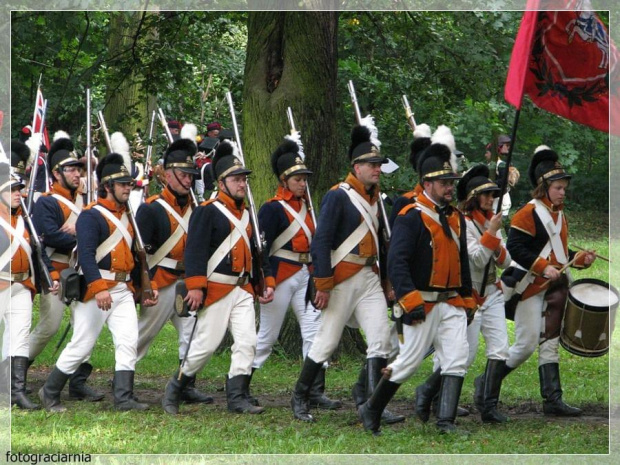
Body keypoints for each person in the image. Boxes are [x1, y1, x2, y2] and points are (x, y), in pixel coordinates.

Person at [358, 125, 475, 435]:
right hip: (421, 302)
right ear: (427, 183)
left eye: (451, 182)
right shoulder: (411, 215)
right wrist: (409, 299)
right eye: (443, 183)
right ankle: (371, 409)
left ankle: (445, 422)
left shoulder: (455, 217)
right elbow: (396, 262)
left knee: (457, 358)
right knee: (408, 362)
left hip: (450, 302)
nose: (450, 187)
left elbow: (461, 262)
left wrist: (466, 298)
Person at [290, 122, 396, 424]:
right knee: (326, 342)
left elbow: (382, 244)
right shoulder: (339, 195)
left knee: (380, 340)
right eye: (371, 165)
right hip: (341, 279)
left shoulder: (377, 199)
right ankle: (299, 396)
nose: (377, 169)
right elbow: (321, 241)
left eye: (378, 165)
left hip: (370, 278)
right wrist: (322, 283)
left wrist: (386, 280)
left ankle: (372, 405)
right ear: (356, 167)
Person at [161, 139, 275, 415]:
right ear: (221, 183)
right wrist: (196, 287)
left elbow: (258, 253)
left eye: (243, 180)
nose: (242, 184)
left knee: (248, 341)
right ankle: (174, 390)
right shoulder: (207, 211)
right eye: (236, 180)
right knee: (205, 347)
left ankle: (236, 398)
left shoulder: (248, 214)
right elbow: (195, 252)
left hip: (243, 289)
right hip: (216, 289)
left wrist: (266, 281)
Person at [38, 153, 159, 412]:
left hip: (123, 289)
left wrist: (145, 286)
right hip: (96, 289)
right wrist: (98, 287)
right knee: (82, 344)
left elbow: (136, 256)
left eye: (129, 184)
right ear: (108, 187)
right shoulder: (91, 216)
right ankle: (49, 392)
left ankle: (124, 398)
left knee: (128, 340)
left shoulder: (129, 215)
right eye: (123, 184)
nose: (128, 188)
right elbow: (87, 255)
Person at [501, 145, 595, 416]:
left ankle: (552, 400)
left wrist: (579, 259)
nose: (563, 192)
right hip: (530, 286)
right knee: (526, 344)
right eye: (558, 187)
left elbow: (560, 253)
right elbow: (516, 248)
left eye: (564, 187)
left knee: (550, 341)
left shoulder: (558, 213)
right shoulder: (527, 213)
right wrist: (543, 267)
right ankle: (487, 385)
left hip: (555, 286)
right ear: (544, 187)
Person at [249, 134, 341, 410]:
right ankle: (239, 385)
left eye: (304, 178)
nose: (303, 183)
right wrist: (264, 280)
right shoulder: (271, 209)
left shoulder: (310, 208)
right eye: (297, 179)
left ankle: (314, 390)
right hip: (280, 276)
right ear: (284, 181)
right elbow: (260, 248)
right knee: (267, 336)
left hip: (307, 276)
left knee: (315, 332)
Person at [135, 135, 212, 405]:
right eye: (183, 175)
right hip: (160, 281)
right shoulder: (152, 209)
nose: (188, 180)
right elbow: (140, 255)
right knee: (142, 335)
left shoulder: (198, 210)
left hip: (186, 281)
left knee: (192, 334)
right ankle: (123, 382)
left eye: (191, 175)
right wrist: (143, 286)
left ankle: (185, 384)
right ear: (168, 175)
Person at [28, 132, 104, 402]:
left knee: (86, 327)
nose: (77, 174)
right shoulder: (47, 202)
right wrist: (85, 234)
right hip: (58, 273)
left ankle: (78, 381)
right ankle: (15, 371)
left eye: (78, 169)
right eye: (71, 170)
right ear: (57, 174)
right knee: (50, 325)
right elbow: (49, 236)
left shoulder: (88, 201)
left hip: (83, 273)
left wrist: (80, 228)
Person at [0, 162, 59, 409]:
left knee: (19, 337)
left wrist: (52, 274)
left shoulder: (25, 220)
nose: (19, 193)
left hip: (23, 284)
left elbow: (38, 249)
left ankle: (15, 391)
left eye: (19, 189)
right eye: (12, 189)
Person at [456, 165, 512, 423]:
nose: (491, 199)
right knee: (464, 353)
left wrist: (494, 235)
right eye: (487, 194)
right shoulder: (463, 224)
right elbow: (477, 260)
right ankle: (437, 399)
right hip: (470, 295)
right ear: (473, 197)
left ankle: (488, 407)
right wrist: (491, 234)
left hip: (492, 291)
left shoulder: (492, 221)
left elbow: (506, 261)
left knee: (500, 348)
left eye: (493, 194)